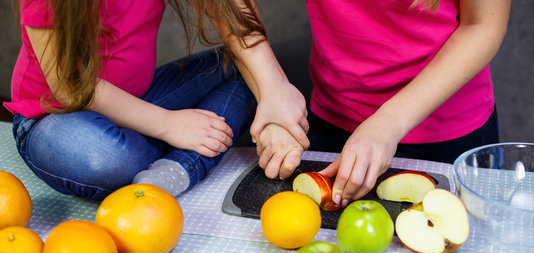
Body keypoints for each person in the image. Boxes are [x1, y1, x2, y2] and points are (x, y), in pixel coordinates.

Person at [4, 0, 309, 200]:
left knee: (251, 69)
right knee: (102, 157)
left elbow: (229, 11)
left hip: (142, 98)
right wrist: (167, 124)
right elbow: (68, 87)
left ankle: (173, 169)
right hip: (56, 116)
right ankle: (178, 148)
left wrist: (274, 92)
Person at [299, 0, 512, 208]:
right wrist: (269, 82)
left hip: (446, 134)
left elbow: (483, 25)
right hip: (332, 120)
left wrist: (388, 122)